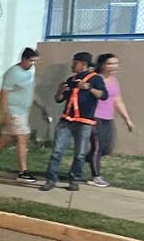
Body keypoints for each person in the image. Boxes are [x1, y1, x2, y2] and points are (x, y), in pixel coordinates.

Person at [41, 52, 106, 192]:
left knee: (80, 154)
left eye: (75, 62)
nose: (72, 65)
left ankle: (74, 180)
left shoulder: (95, 79)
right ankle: (51, 180)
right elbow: (58, 100)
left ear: (84, 64)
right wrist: (60, 91)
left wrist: (88, 87)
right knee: (56, 152)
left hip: (84, 122)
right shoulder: (71, 79)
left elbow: (103, 95)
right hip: (66, 120)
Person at [0, 48, 40, 182]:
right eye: (31, 61)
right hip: (14, 112)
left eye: (34, 62)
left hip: (23, 111)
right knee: (23, 138)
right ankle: (23, 171)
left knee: (5, 139)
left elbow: (29, 91)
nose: (32, 64)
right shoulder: (13, 73)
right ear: (24, 59)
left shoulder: (30, 72)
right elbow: (4, 93)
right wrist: (4, 112)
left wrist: (40, 106)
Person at [85, 52, 134, 187]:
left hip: (108, 117)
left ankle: (81, 159)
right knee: (98, 147)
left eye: (115, 63)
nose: (114, 66)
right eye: (110, 63)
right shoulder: (96, 79)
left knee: (107, 148)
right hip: (95, 117)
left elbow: (118, 101)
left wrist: (127, 119)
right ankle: (96, 177)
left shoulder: (114, 81)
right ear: (102, 65)